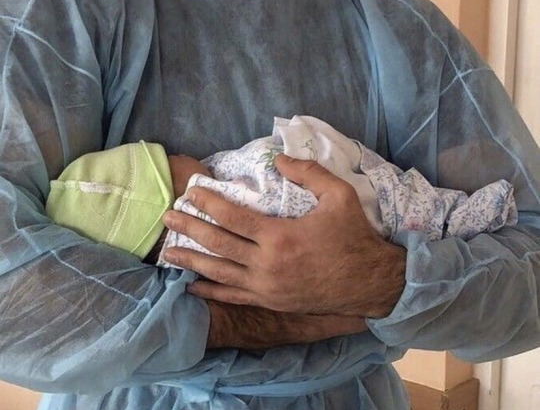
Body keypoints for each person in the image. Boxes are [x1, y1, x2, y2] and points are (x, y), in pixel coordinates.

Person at [0, 0, 538, 410]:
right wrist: (242, 319)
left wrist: (381, 279)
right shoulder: (52, 16)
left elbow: (529, 256)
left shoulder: (406, 37)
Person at [45, 115, 518, 268]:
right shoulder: (209, 202)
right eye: (168, 160)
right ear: (168, 199)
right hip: (352, 209)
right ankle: (464, 215)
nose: (181, 152)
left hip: (348, 198)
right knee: (408, 208)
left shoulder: (179, 266)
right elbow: (274, 190)